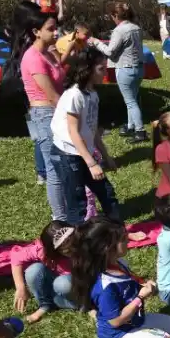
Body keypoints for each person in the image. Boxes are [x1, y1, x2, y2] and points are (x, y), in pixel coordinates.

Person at [71, 217, 170, 338]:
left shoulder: (119, 263)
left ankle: (146, 335)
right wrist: (140, 297)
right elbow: (116, 321)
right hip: (118, 335)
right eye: (123, 239)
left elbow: (129, 284)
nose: (128, 241)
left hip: (136, 321)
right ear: (107, 248)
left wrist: (144, 285)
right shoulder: (105, 285)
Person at [50, 48, 121, 224]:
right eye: (101, 69)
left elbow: (93, 129)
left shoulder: (93, 94)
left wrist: (105, 156)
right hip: (68, 154)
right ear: (87, 69)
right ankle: (77, 245)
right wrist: (91, 163)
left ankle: (118, 233)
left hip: (84, 153)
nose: (105, 73)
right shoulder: (74, 95)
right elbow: (73, 132)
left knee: (107, 193)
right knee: (77, 202)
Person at [20, 10, 66, 217]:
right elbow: (52, 95)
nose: (56, 32)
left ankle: (69, 210)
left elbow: (62, 74)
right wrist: (72, 116)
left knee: (64, 164)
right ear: (36, 32)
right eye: (50, 29)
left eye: (56, 28)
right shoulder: (33, 58)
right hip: (45, 113)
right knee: (54, 168)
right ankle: (59, 217)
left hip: (55, 111)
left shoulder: (48, 52)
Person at [90, 3, 146, 142]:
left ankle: (140, 131)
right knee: (132, 99)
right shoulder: (137, 28)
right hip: (139, 68)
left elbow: (110, 51)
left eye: (112, 16)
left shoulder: (119, 30)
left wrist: (96, 42)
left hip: (125, 69)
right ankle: (131, 125)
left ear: (116, 16)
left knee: (131, 101)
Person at [11, 221, 77, 323]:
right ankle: (45, 305)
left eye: (72, 240)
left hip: (77, 290)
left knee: (63, 283)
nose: (71, 247)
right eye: (65, 248)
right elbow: (16, 257)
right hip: (57, 288)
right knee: (33, 271)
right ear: (52, 249)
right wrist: (20, 287)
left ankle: (85, 305)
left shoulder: (85, 244)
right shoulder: (42, 251)